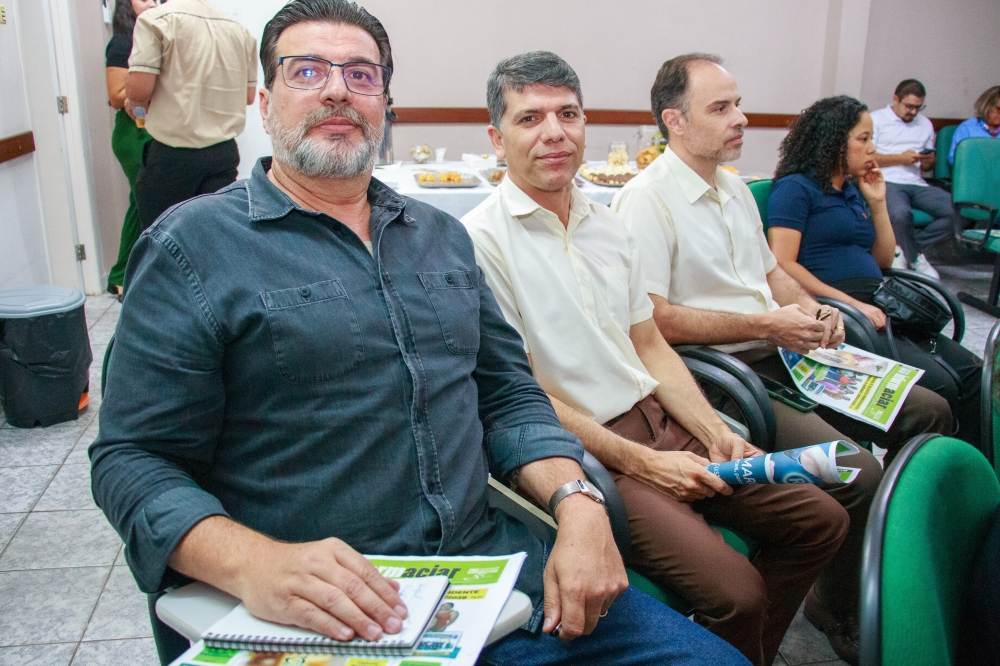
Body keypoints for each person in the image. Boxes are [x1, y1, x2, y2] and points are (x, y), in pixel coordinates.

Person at [90, 4, 749, 666]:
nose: (338, 89)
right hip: (324, 614)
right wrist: (253, 563)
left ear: (384, 104)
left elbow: (508, 394)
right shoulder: (192, 248)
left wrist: (578, 502)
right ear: (265, 104)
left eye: (361, 74)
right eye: (307, 71)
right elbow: (133, 459)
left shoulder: (441, 240)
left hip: (494, 583)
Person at [461, 51, 848, 666]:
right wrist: (645, 462)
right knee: (738, 593)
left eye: (568, 114)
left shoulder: (607, 224)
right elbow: (525, 393)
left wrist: (713, 430)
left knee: (821, 521)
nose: (555, 132)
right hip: (589, 454)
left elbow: (649, 345)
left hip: (660, 421)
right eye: (530, 118)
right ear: (496, 138)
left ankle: (743, 654)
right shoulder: (480, 241)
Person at [612, 53, 952, 665]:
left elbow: (772, 274)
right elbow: (654, 319)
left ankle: (900, 566)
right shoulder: (646, 200)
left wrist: (813, 309)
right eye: (721, 108)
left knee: (931, 410)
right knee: (857, 474)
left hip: (784, 351)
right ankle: (833, 604)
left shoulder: (734, 187)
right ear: (675, 121)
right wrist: (766, 323)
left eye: (738, 104)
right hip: (722, 373)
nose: (741, 118)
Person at [767, 95, 982, 446]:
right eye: (863, 139)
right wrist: (854, 306)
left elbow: (883, 261)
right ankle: (923, 473)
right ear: (834, 142)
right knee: (941, 385)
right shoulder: (796, 187)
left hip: (881, 305)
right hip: (842, 312)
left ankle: (972, 470)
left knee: (974, 371)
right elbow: (782, 263)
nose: (872, 149)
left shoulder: (852, 190)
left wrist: (878, 202)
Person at [126, 0, 258, 231]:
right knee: (214, 235)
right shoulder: (240, 30)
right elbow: (248, 96)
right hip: (223, 154)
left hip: (173, 157)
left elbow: (139, 91)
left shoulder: (156, 21)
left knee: (165, 239)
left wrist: (134, 102)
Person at [870, 79, 951, 277]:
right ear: (895, 99)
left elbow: (928, 166)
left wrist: (929, 161)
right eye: (909, 106)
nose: (913, 112)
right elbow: (867, 158)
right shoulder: (876, 120)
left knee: (959, 211)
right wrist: (900, 158)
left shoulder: (925, 124)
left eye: (918, 107)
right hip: (887, 180)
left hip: (917, 182)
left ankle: (907, 250)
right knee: (900, 214)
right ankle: (916, 259)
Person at [104, 0, 157, 298]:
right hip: (132, 134)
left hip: (154, 130)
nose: (151, 2)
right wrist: (146, 86)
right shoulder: (122, 43)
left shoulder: (156, 39)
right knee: (143, 203)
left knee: (139, 203)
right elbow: (115, 96)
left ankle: (123, 273)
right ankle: (122, 275)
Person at [949, 85, 1000, 165]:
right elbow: (955, 160)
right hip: (974, 171)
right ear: (986, 106)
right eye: (998, 109)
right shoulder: (966, 129)